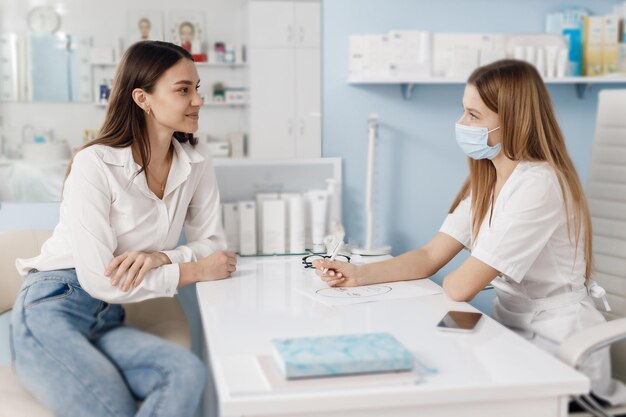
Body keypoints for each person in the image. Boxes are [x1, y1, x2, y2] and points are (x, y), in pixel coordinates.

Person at [314, 59, 626, 406]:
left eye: (474, 116)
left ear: (513, 120)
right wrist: (358, 275)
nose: (461, 124)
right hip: (515, 332)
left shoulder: (539, 185)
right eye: (463, 112)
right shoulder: (489, 181)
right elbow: (430, 256)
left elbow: (460, 286)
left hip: (563, 348)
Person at [10, 41, 236, 417]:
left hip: (110, 315)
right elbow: (99, 279)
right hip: (55, 306)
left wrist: (162, 256)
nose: (197, 100)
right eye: (183, 90)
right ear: (142, 98)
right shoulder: (94, 164)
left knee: (184, 372)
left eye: (196, 88)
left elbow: (213, 243)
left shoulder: (196, 161)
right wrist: (191, 270)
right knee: (111, 407)